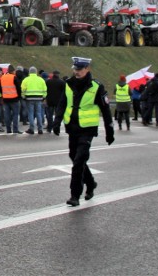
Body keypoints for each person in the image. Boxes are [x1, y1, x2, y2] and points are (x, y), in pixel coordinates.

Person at [52, 57, 115, 207]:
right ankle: (91, 183)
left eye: (79, 70)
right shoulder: (68, 84)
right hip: (72, 128)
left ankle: (75, 195)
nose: (76, 72)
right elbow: (62, 104)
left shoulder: (96, 87)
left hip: (87, 130)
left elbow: (106, 110)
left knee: (79, 160)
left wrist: (109, 131)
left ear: (87, 69)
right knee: (74, 157)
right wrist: (56, 122)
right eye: (75, 69)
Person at [22, 66, 46, 134]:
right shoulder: (41, 79)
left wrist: (23, 96)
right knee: (38, 113)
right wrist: (44, 97)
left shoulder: (26, 79)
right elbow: (44, 89)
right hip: (39, 98)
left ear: (29, 72)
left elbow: (23, 89)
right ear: (36, 72)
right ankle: (40, 129)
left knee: (30, 113)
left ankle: (31, 129)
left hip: (29, 98)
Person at [0, 65, 21, 135]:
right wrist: (19, 96)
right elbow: (18, 88)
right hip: (14, 98)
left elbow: (0, 88)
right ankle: (15, 129)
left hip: (5, 98)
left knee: (7, 115)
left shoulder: (2, 77)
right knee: (15, 114)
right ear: (13, 71)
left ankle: (8, 129)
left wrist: (3, 94)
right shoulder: (14, 77)